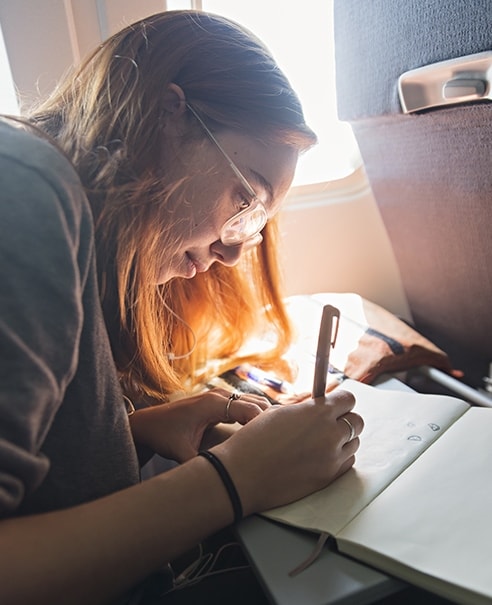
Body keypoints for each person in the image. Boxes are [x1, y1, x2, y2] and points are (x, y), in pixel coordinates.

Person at [0, 9, 364, 605]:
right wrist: (237, 479)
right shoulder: (24, 195)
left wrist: (131, 434)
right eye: (244, 199)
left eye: (255, 222)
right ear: (168, 115)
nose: (230, 248)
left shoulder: (58, 213)